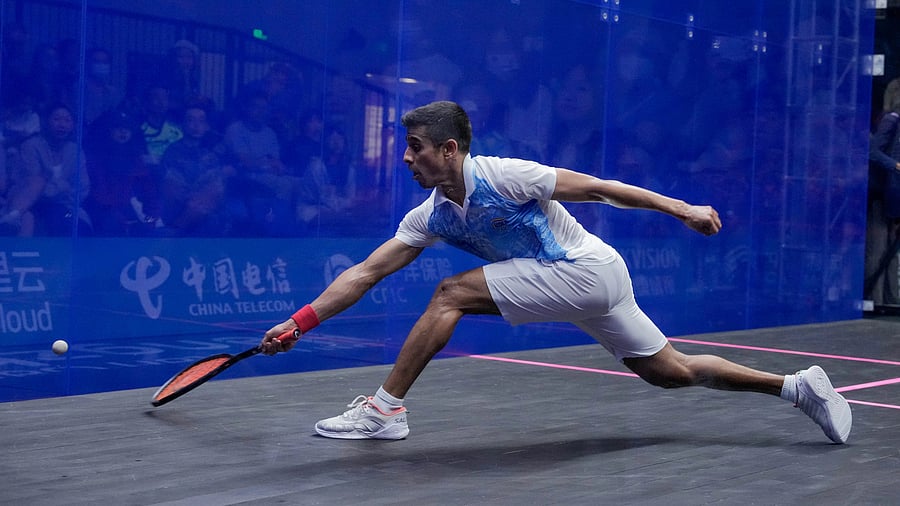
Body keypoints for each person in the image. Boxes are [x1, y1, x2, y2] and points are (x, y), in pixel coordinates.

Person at [260, 101, 852, 444]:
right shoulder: (432, 214)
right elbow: (365, 273)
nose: (407, 157)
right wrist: (298, 322)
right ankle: (797, 387)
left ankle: (385, 409)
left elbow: (597, 188)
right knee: (670, 372)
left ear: (450, 150)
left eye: (416, 146)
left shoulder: (505, 175)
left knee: (450, 294)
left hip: (585, 270)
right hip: (589, 285)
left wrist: (682, 208)